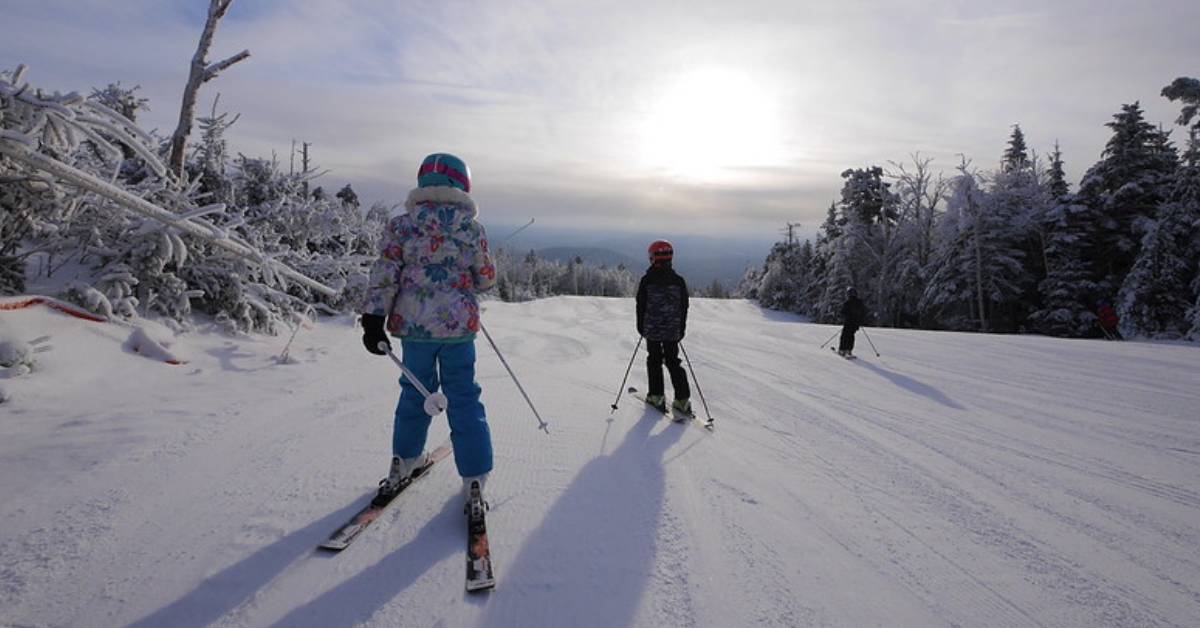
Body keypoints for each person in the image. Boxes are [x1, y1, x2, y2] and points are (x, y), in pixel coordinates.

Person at [360, 152, 497, 507]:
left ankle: (404, 461)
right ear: (462, 184)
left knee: (415, 393)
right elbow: (485, 279)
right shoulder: (472, 228)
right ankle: (474, 480)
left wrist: (373, 318)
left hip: (415, 328)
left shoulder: (402, 225)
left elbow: (385, 273)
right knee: (464, 397)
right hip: (458, 331)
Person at [636, 240, 691, 415]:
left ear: (653, 258)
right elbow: (684, 307)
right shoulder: (679, 281)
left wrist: (641, 327)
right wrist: (680, 330)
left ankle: (656, 396)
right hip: (672, 331)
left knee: (654, 360)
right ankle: (682, 400)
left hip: (652, 330)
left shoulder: (647, 280)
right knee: (673, 361)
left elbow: (641, 306)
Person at [837, 286, 867, 357]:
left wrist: (845, 317)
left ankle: (842, 349)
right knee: (851, 336)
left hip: (848, 322)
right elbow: (864, 312)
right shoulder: (860, 302)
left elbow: (843, 312)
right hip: (855, 324)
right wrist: (860, 321)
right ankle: (849, 350)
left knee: (845, 336)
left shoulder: (848, 302)